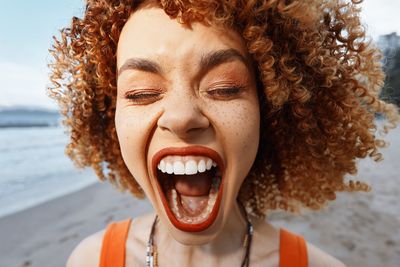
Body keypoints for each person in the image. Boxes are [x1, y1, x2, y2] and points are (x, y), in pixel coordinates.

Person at [48, 0, 399, 266]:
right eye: (141, 93)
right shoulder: (90, 259)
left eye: (225, 87)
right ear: (112, 120)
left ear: (270, 112)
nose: (182, 117)